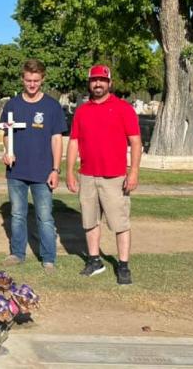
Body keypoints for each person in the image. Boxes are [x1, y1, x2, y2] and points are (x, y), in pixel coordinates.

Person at [66, 64, 141, 285]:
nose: (97, 84)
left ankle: (124, 265)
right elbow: (73, 142)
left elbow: (136, 142)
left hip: (115, 177)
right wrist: (69, 172)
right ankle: (94, 260)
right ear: (89, 83)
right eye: (94, 80)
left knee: (120, 223)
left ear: (109, 83)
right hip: (88, 175)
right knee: (89, 221)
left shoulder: (123, 108)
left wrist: (133, 172)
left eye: (102, 80)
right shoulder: (82, 110)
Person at [0, 59, 67, 271]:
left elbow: (57, 139)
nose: (31, 84)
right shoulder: (12, 105)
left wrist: (56, 169)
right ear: (22, 79)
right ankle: (17, 253)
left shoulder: (51, 106)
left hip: (43, 171)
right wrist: (7, 151)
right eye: (28, 80)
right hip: (16, 171)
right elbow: (5, 133)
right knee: (17, 215)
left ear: (43, 79)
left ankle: (48, 258)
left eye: (36, 81)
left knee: (45, 217)